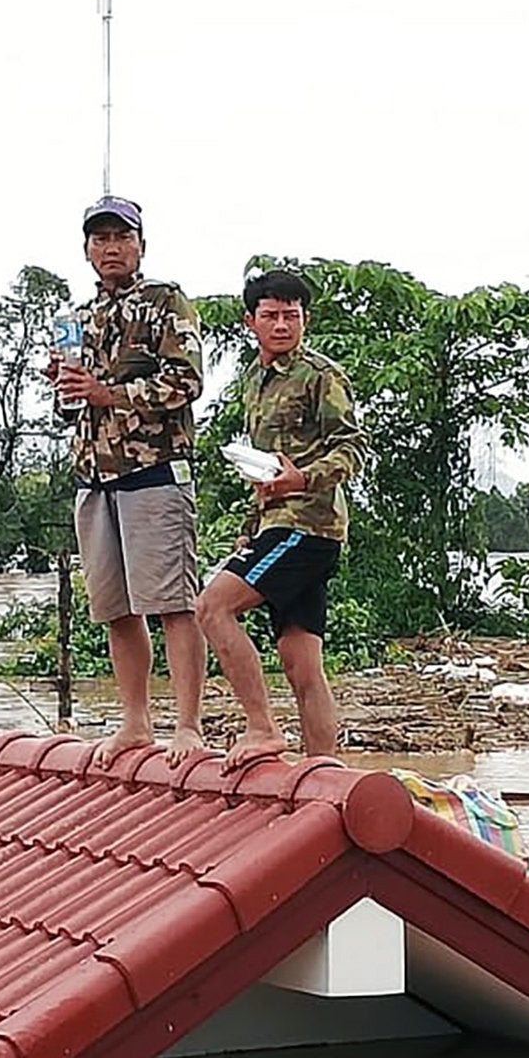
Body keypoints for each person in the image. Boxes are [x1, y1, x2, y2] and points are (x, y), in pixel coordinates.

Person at [50, 196, 209, 764]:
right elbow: (69, 410)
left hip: (154, 473)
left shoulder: (166, 302)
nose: (110, 247)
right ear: (87, 249)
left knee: (172, 603)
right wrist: (66, 386)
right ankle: (136, 722)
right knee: (115, 609)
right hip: (94, 477)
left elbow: (187, 382)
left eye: (121, 237)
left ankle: (187, 725)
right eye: (100, 239)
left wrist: (108, 392)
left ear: (142, 244)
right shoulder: (76, 318)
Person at [196, 268, 369, 769]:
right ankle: (325, 773)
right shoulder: (254, 381)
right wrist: (249, 529)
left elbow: (353, 446)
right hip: (275, 524)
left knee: (212, 608)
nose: (281, 325)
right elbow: (266, 467)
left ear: (304, 320)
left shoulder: (321, 375)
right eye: (270, 315)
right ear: (250, 321)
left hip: (307, 525)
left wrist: (303, 479)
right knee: (301, 664)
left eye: (290, 316)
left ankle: (262, 729)